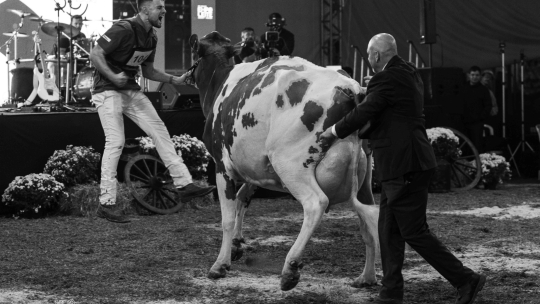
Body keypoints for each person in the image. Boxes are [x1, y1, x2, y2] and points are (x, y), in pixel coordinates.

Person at [319, 33, 486, 304]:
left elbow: (366, 112)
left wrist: (333, 132)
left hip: (403, 165)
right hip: (408, 163)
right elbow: (390, 104)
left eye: (370, 56)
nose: (369, 60)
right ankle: (391, 292)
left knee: (413, 231)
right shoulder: (408, 72)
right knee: (389, 230)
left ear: (376, 55)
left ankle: (466, 279)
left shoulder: (387, 79)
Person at [90, 0, 215, 223]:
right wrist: (113, 76)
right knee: (116, 141)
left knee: (160, 131)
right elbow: (96, 54)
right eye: (159, 7)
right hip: (107, 90)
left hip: (129, 91)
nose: (165, 10)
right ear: (145, 9)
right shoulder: (123, 29)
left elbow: (147, 71)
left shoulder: (151, 37)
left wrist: (173, 79)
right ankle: (106, 203)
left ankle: (184, 184)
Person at [461, 66, 492, 153]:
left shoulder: (484, 90)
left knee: (477, 145)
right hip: (464, 122)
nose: (474, 77)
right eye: (473, 75)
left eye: (477, 75)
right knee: (464, 146)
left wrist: (480, 117)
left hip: (477, 123)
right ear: (469, 75)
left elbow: (488, 106)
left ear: (480, 76)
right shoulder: (463, 88)